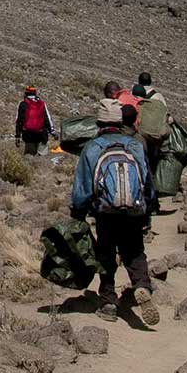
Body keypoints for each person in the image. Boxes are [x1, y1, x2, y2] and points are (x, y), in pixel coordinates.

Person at [70, 99, 155, 324]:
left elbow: (83, 187)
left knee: (106, 252)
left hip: (105, 210)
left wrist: (78, 213)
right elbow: (148, 182)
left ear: (98, 123)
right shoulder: (135, 145)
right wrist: (147, 212)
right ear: (120, 122)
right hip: (134, 209)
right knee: (135, 250)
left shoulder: (92, 147)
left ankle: (108, 301)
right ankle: (142, 285)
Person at [14, 85, 51, 155]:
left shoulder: (23, 104)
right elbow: (47, 118)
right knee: (42, 159)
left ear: (26, 93)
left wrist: (17, 135)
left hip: (28, 135)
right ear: (35, 93)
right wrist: (52, 131)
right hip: (42, 135)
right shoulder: (41, 104)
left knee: (30, 157)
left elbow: (19, 121)